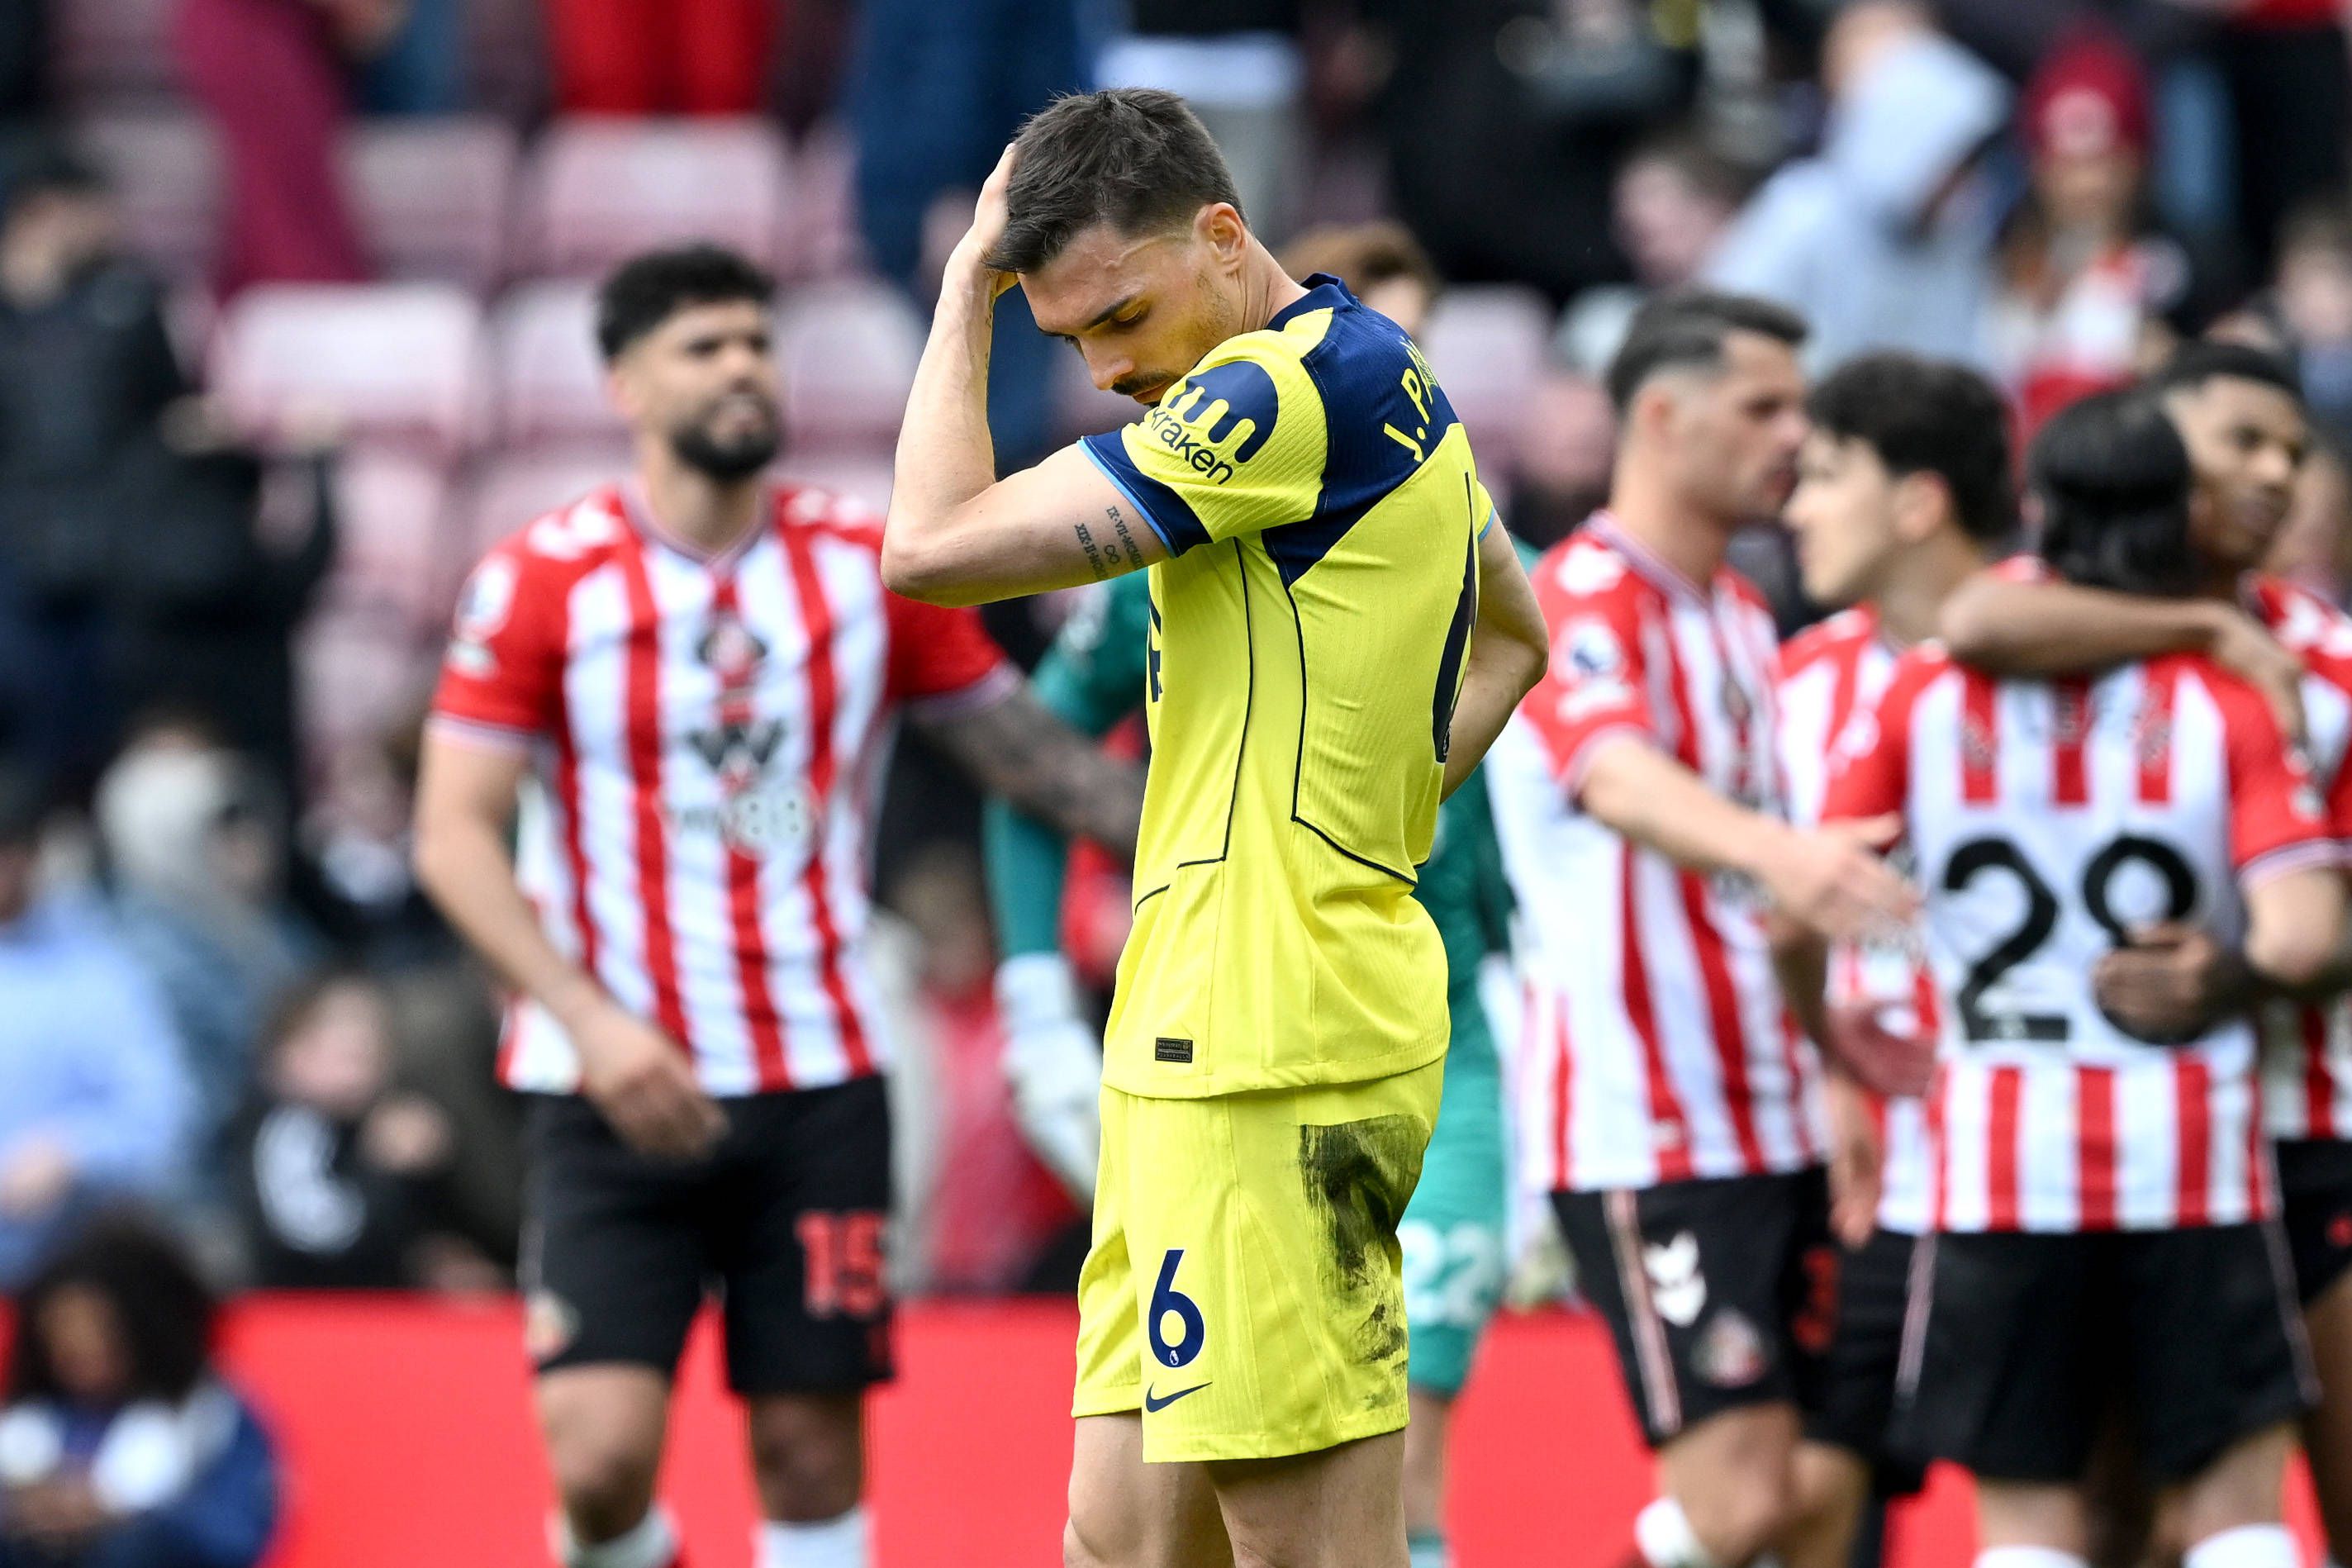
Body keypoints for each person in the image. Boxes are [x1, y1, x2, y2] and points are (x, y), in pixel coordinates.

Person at [880, 88, 1549, 1568]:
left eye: (1120, 315)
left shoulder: (1276, 394)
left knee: (1298, 1546)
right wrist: (1375, 815)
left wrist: (959, 290)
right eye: (1072, 342)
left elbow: (924, 548)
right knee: (1121, 1537)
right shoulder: (1387, 378)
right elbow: (1513, 633)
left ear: (1225, 237)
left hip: (1274, 1038)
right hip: (1200, 1027)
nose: (1112, 370)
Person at [411, 244, 1147, 1568]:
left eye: (755, 342)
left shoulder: (862, 567)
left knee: (810, 1450)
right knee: (597, 1459)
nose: (742, 366)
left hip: (817, 1076)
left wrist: (1193, 833)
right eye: (704, 347)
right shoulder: (540, 579)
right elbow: (450, 837)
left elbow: (1022, 757)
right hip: (609, 1077)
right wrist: (587, 1019)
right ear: (626, 383)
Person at [1823, 387, 2345, 1568]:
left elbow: (1815, 885)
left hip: (2001, 1164)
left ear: (2034, 511)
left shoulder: (1923, 688)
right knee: (2232, 1519)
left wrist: (1827, 1028)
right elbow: (2304, 936)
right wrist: (2218, 976)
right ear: (2180, 513)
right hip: (2190, 1157)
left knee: (2029, 1530)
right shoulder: (2229, 692)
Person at [1481, 290, 1918, 1568]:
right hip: (1644, 1124)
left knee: (1824, 1499)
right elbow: (1611, 775)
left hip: (1778, 1104)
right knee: (1737, 1507)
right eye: (1763, 405)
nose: (1794, 434)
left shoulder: (1736, 613)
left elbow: (1753, 893)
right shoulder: (1567, 596)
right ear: (1660, 418)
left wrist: (1831, 1057)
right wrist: (1789, 851)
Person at [1773, 352, 2017, 1564]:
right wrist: (1830, 1066)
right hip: (1864, 1160)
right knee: (1820, 1491)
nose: (1794, 506)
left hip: (2048, 1157)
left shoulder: (2063, 645)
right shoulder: (1799, 681)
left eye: (1823, 475)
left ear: (1916, 502)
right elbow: (1780, 921)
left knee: (2080, 1493)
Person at [0, 767, 193, 1288]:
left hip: (53, 1270)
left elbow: (161, 1116)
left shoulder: (99, 973)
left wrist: (71, 1151)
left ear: (31, 856)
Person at [0, 1217, 278, 1568]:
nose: (79, 1349)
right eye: (62, 1333)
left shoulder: (209, 1417)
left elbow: (235, 1539)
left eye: (100, 1332)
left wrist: (119, 1516)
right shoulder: (30, 1417)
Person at [229, 971, 496, 1292]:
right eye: (343, 1048)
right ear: (290, 1051)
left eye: (373, 1044)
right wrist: (384, 1172)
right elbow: (317, 1240)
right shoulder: (285, 1128)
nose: (362, 1046)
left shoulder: (386, 1116)